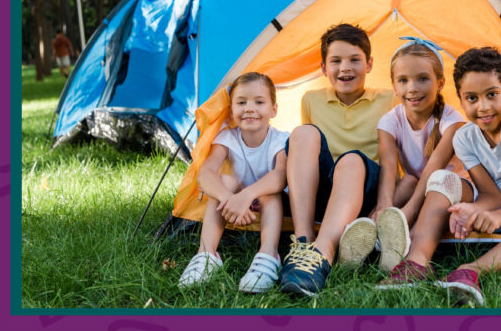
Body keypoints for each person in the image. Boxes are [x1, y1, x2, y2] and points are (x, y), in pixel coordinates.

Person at [378, 47, 501, 307]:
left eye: (492, 95)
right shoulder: (465, 137)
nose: (484, 107)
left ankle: (470, 271)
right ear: (460, 99)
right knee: (445, 178)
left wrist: (497, 216)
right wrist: (472, 210)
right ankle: (416, 262)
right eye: (472, 98)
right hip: (492, 208)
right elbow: (491, 194)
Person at [279, 23, 394, 297]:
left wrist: (385, 203)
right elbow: (308, 156)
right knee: (304, 133)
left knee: (352, 160)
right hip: (326, 190)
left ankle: (323, 252)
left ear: (369, 64)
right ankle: (303, 242)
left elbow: (394, 153)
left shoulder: (390, 99)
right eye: (336, 61)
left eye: (355, 60)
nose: (345, 68)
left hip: (364, 187)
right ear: (323, 68)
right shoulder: (311, 99)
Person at [178, 72, 288, 293]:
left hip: (268, 203)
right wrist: (229, 199)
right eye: (241, 102)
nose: (249, 108)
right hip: (233, 203)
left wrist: (246, 197)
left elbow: (280, 176)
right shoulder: (227, 138)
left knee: (270, 192)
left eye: (259, 102)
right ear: (231, 110)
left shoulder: (280, 139)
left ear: (273, 109)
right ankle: (206, 255)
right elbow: (206, 174)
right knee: (224, 181)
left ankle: (268, 255)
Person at [368, 37, 466, 272]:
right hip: (416, 188)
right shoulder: (390, 120)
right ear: (394, 86)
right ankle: (371, 230)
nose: (412, 88)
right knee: (408, 181)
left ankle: (398, 237)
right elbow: (389, 167)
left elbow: (434, 168)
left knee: (430, 184)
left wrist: (407, 211)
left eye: (423, 79)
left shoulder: (453, 121)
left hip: (447, 191)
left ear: (440, 83)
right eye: (403, 80)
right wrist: (384, 205)